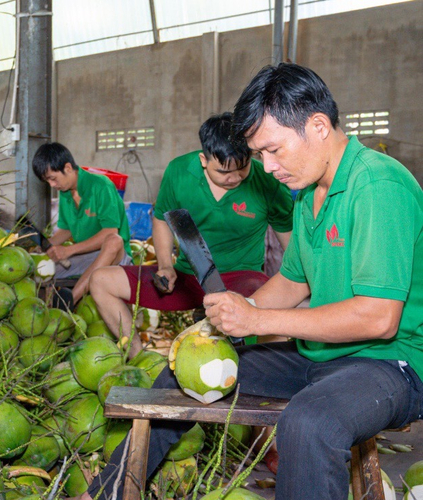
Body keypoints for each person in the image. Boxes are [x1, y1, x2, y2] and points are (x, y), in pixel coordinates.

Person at [74, 63, 422, 500]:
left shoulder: (375, 184)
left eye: (273, 150)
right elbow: (293, 283)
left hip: (391, 364)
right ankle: (103, 493)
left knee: (309, 422)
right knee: (179, 376)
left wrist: (258, 321)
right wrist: (226, 319)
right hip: (324, 357)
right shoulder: (308, 195)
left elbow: (377, 318)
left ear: (317, 126)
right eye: (260, 154)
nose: (268, 167)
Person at [88, 113, 293, 358]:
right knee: (100, 280)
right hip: (188, 276)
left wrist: (294, 286)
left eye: (243, 168)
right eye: (224, 171)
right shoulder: (180, 172)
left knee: (275, 314)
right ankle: (140, 360)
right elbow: (162, 218)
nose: (235, 178)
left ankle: (257, 374)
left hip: (243, 278)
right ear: (203, 160)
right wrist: (165, 266)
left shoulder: (267, 182)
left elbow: (290, 245)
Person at [31, 142, 132, 307]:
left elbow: (109, 232)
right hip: (86, 256)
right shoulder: (65, 193)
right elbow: (66, 230)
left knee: (114, 240)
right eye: (47, 181)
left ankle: (70, 300)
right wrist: (44, 246)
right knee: (36, 267)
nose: (52, 185)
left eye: (53, 179)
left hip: (117, 257)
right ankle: (42, 311)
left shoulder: (101, 186)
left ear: (68, 168)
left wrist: (68, 250)